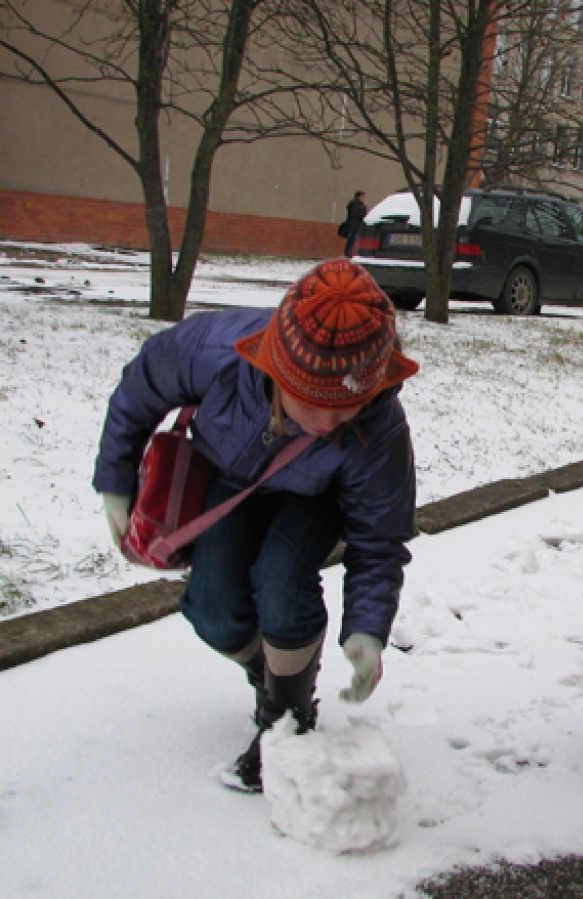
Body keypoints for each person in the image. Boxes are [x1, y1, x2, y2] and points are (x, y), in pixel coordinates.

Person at [93, 258, 419, 793]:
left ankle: (285, 721)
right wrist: (115, 480)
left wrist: (367, 629)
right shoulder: (217, 352)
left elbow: (379, 538)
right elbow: (141, 387)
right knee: (212, 606)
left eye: (344, 411)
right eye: (311, 406)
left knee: (280, 579)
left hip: (315, 499)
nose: (326, 424)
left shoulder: (379, 426)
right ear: (277, 373)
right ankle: (273, 677)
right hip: (230, 478)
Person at [339, 190, 368, 257]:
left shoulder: (353, 204)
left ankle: (348, 254)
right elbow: (362, 215)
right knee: (352, 241)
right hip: (355, 226)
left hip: (352, 225)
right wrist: (364, 206)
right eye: (363, 197)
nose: (364, 199)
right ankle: (348, 255)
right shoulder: (358, 205)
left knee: (351, 241)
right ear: (359, 197)